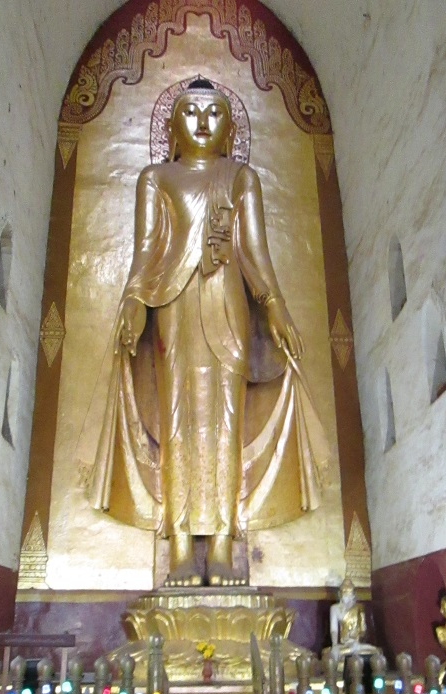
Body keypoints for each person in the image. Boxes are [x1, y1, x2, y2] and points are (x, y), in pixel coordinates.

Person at [90, 80, 329, 586]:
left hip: (229, 303)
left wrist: (275, 305)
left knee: (226, 420)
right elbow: (146, 251)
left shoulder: (241, 177)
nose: (202, 122)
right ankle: (179, 546)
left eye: (214, 112)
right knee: (176, 418)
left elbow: (255, 252)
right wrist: (133, 301)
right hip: (173, 305)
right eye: (191, 112)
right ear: (172, 127)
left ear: (231, 128)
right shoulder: (156, 178)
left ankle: (221, 544)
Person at [329, 577, 376, 661]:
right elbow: (334, 630)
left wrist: (357, 638)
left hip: (356, 644)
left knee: (376, 651)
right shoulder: (335, 608)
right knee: (334, 652)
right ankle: (345, 653)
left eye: (349, 594)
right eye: (344, 594)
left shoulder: (359, 608)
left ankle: (348, 651)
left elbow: (363, 630)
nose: (347, 597)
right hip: (343, 644)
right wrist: (334, 644)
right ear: (340, 594)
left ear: (353, 595)